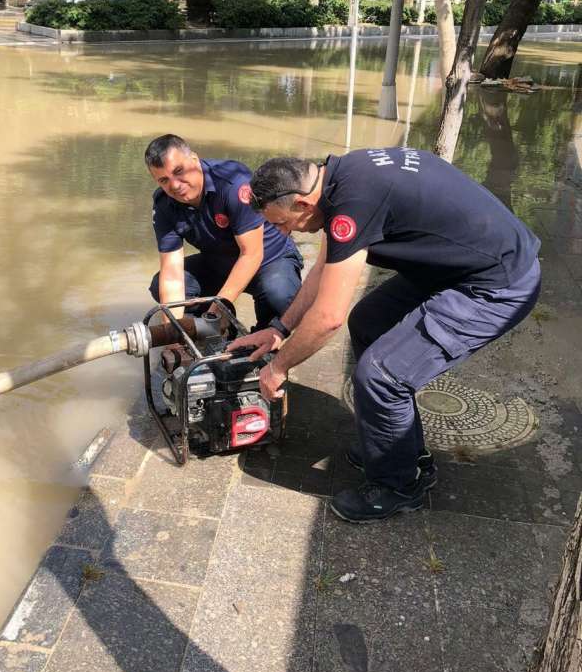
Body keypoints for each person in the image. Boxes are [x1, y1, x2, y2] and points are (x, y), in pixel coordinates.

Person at [230, 147, 541, 523]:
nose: (281, 232)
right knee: (368, 322)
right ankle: (399, 448)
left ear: (301, 203)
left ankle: (399, 484)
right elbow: (323, 271)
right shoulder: (337, 179)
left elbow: (328, 317)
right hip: (455, 266)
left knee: (382, 375)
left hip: (497, 284)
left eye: (283, 224)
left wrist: (278, 368)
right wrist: (279, 329)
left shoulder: (352, 203)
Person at [145, 134, 303, 329]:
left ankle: (259, 335)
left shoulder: (234, 185)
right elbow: (172, 275)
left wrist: (215, 312)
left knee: (280, 298)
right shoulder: (164, 205)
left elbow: (252, 255)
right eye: (164, 180)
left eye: (179, 171)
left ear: (194, 159)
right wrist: (171, 332)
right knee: (159, 286)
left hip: (270, 260)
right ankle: (221, 331)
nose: (175, 185)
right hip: (219, 263)